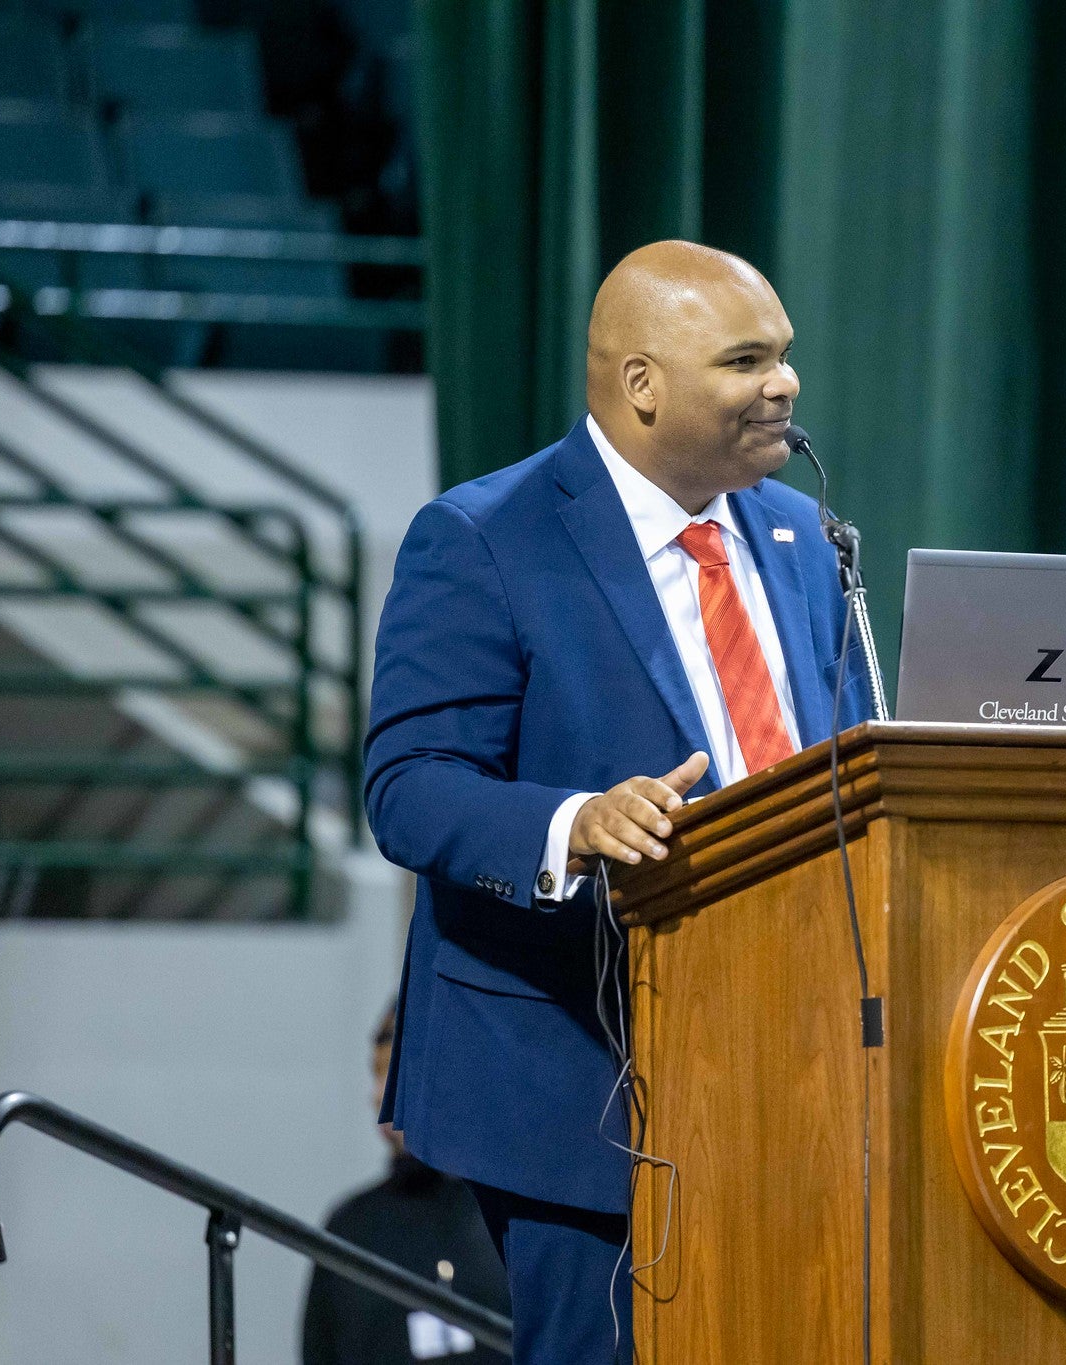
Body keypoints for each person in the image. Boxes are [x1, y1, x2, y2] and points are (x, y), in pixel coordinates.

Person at [365, 240, 875, 1363]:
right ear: (642, 385)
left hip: (795, 1063)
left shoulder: (799, 540)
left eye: (783, 356)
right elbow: (409, 788)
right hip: (582, 1069)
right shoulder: (486, 537)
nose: (783, 385)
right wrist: (573, 823)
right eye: (745, 360)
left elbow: (845, 772)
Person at [302, 1004, 509, 1364]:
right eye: (376, 1074)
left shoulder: (506, 1218)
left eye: (392, 1072)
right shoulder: (351, 1227)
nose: (376, 1096)